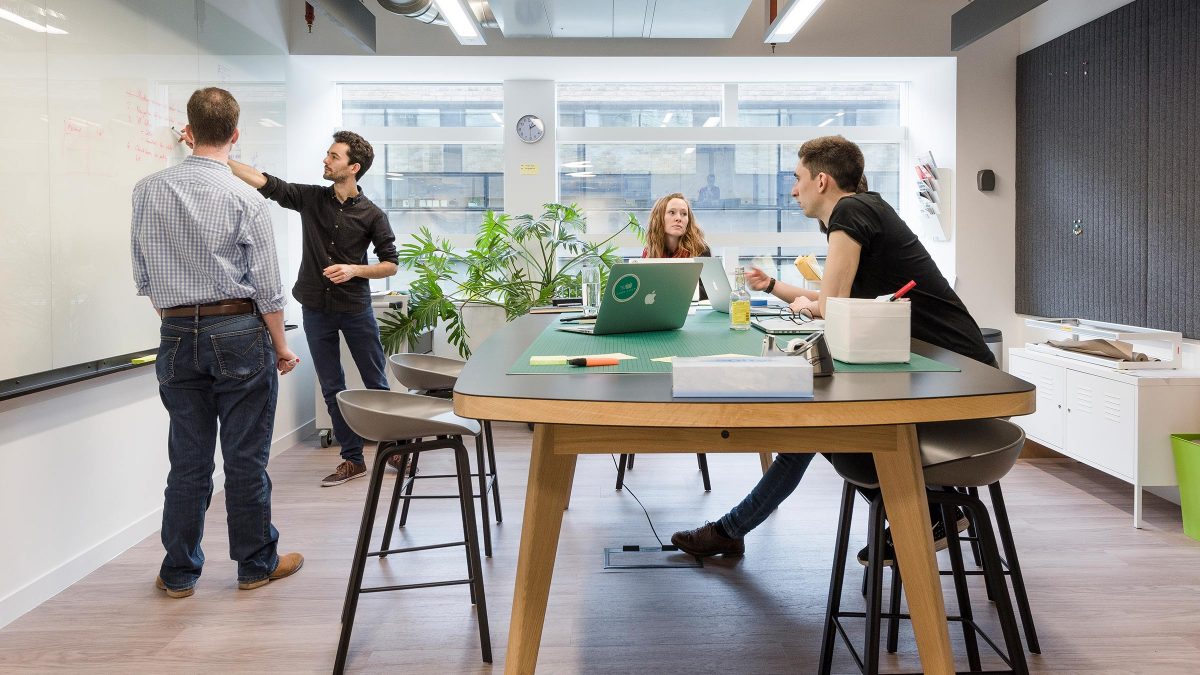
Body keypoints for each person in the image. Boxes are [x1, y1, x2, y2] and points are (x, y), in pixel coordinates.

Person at [671, 135, 996, 561]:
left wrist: (812, 304)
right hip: (930, 370)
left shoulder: (851, 211)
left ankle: (930, 508)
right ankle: (923, 508)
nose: (793, 189)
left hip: (952, 377)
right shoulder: (863, 210)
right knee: (811, 429)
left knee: (813, 427)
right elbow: (834, 304)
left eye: (797, 178)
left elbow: (832, 303)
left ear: (821, 180)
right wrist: (787, 292)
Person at [132, 87, 303, 598]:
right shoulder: (244, 197)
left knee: (188, 461)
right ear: (234, 134)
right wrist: (281, 346)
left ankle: (179, 573)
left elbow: (144, 276)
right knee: (245, 458)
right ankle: (255, 565)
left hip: (176, 333)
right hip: (240, 333)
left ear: (187, 132)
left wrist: (182, 320)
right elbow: (268, 288)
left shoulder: (146, 190)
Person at [228, 132, 401, 487]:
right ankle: (352, 459)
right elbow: (265, 182)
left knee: (375, 384)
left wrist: (354, 269)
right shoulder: (310, 198)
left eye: (333, 157)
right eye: (327, 154)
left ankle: (395, 448)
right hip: (316, 309)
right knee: (332, 386)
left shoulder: (373, 215)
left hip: (355, 308)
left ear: (353, 168)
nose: (326, 160)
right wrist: (219, 157)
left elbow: (390, 264)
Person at [642, 192, 711, 299]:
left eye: (684, 214)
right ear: (659, 218)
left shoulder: (700, 249)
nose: (679, 218)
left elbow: (707, 291)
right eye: (672, 212)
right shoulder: (650, 251)